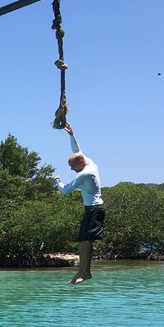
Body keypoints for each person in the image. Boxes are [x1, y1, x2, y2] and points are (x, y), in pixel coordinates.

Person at [54, 122, 104, 285]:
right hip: (90, 209)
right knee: (81, 241)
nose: (71, 169)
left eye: (72, 166)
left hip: (95, 209)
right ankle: (81, 270)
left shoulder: (85, 174)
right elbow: (77, 150)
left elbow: (66, 190)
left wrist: (57, 181)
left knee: (87, 241)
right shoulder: (88, 162)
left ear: (81, 163)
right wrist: (71, 135)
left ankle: (86, 272)